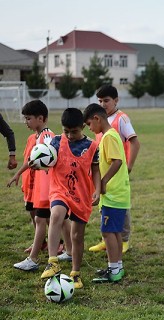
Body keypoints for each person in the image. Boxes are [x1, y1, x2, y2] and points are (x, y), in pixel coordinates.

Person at [40, 108, 100, 290]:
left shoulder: (91, 146)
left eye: (74, 131)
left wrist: (97, 189)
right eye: (66, 131)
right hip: (60, 190)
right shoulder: (56, 142)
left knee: (77, 236)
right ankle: (53, 261)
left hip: (81, 195)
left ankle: (76, 273)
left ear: (82, 127)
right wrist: (38, 164)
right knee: (56, 216)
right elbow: (44, 160)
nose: (70, 135)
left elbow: (96, 170)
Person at [9, 100, 70, 272]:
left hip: (47, 189)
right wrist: (19, 173)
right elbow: (31, 160)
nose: (25, 122)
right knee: (60, 219)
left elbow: (51, 158)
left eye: (28, 118)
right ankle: (70, 250)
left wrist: (42, 166)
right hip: (41, 189)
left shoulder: (47, 136)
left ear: (40, 118)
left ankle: (33, 259)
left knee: (41, 219)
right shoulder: (36, 137)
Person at [89, 85, 140, 254]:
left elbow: (134, 142)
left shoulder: (122, 119)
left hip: (117, 171)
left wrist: (129, 165)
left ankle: (124, 240)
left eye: (107, 100)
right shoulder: (99, 121)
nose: (103, 104)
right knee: (106, 206)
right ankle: (106, 239)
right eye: (100, 101)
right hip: (105, 170)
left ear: (116, 100)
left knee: (120, 206)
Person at [83, 103, 130, 283]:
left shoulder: (109, 137)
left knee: (108, 232)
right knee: (114, 232)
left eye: (89, 124)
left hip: (114, 194)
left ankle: (114, 270)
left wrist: (103, 182)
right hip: (116, 194)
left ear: (97, 118)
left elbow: (117, 161)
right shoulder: (108, 136)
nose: (89, 128)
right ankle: (116, 268)